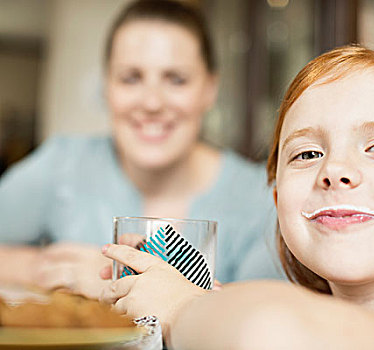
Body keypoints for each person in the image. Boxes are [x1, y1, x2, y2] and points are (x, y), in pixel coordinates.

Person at [99, 46, 374, 350]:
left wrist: (185, 308)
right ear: (281, 200)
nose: (334, 170)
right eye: (307, 153)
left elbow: (268, 330)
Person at [0, 0, 284, 299]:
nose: (151, 102)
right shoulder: (64, 163)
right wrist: (49, 270)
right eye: (131, 78)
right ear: (106, 86)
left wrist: (121, 283)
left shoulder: (264, 200)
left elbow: (268, 320)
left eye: (176, 79)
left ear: (209, 89)